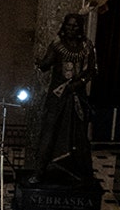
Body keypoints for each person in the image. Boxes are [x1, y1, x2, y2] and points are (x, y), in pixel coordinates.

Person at [28, 12, 96, 183]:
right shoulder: (57, 45)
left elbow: (91, 70)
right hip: (58, 96)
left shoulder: (87, 46)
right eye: (68, 25)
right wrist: (38, 61)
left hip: (77, 96)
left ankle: (81, 174)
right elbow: (45, 64)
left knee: (79, 135)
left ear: (80, 28)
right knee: (49, 132)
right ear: (64, 26)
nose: (71, 29)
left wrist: (78, 83)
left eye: (75, 26)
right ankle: (39, 172)